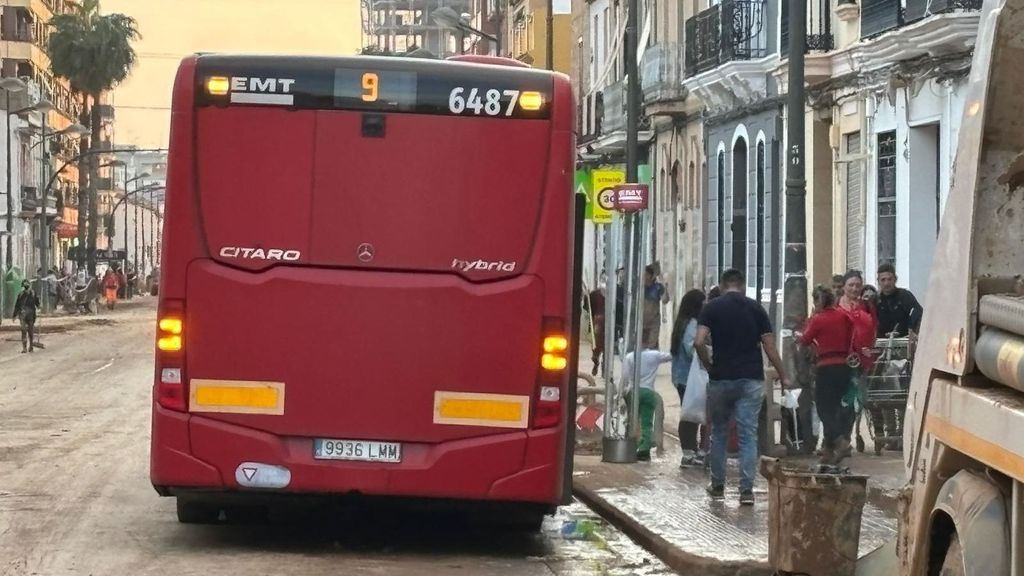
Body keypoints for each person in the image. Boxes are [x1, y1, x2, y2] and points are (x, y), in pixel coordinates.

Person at [695, 268, 789, 505]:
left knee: (719, 432)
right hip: (751, 379)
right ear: (743, 284)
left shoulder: (711, 308)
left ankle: (718, 486)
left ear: (723, 284)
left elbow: (698, 342)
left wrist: (708, 365)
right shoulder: (756, 308)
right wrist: (783, 375)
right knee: (748, 435)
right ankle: (746, 491)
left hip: (721, 378)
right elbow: (770, 347)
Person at [797, 286, 856, 465]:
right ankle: (828, 452)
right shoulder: (844, 316)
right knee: (837, 407)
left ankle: (840, 440)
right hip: (844, 366)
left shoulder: (818, 319)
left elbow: (805, 340)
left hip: (826, 366)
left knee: (824, 408)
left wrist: (801, 335)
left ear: (817, 301)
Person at [671, 289, 708, 467]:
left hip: (681, 376)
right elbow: (691, 348)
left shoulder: (682, 322)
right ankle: (690, 452)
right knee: (691, 415)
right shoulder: (693, 324)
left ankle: (690, 451)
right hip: (689, 377)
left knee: (689, 413)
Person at [621, 343, 673, 461]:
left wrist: (622, 393)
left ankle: (630, 444)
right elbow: (671, 356)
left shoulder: (629, 356)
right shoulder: (654, 355)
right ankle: (645, 448)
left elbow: (624, 378)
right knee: (647, 422)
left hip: (633, 392)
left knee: (632, 420)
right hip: (649, 392)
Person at [875, 263, 923, 340]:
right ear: (878, 281)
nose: (886, 283)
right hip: (880, 344)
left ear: (895, 279)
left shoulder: (905, 295)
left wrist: (913, 330)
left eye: (889, 279)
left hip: (903, 342)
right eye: (883, 280)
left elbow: (919, 313)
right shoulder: (875, 300)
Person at [642, 265, 670, 348]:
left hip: (654, 321)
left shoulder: (658, 287)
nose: (644, 277)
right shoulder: (639, 288)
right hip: (641, 321)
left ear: (650, 276)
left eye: (646, 274)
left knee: (651, 345)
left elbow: (665, 300)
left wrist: (665, 287)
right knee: (641, 345)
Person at [13, 280, 40, 353]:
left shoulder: (33, 294)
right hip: (24, 315)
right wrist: (14, 315)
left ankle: (30, 347)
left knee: (28, 331)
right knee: (24, 330)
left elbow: (37, 304)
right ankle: (26, 347)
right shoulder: (22, 295)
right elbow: (17, 305)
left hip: (29, 315)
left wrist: (14, 315)